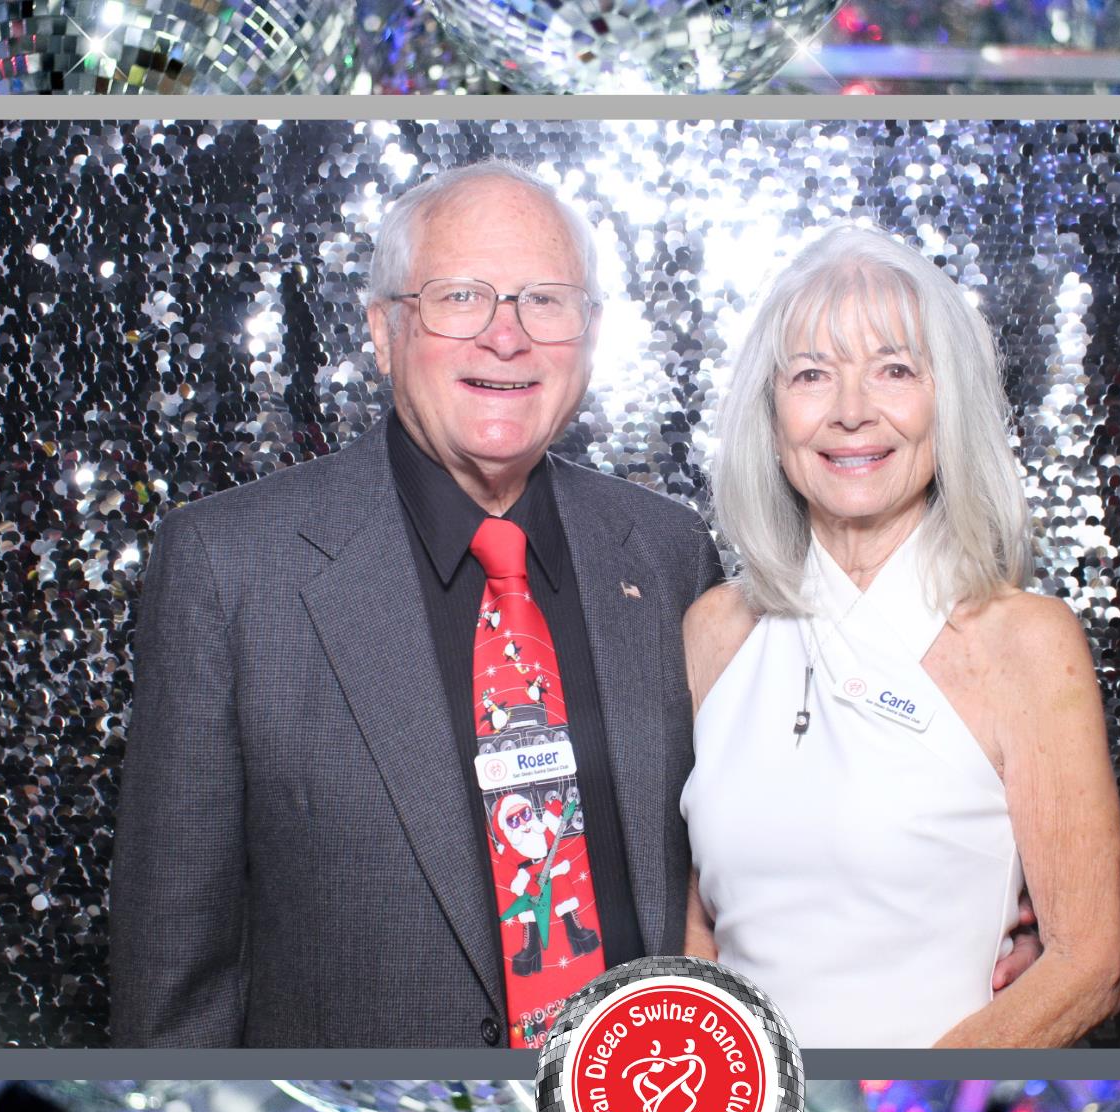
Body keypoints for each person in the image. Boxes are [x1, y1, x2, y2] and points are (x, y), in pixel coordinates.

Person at [108, 161, 723, 1048]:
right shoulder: (229, 566)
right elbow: (173, 986)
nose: (506, 338)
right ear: (385, 331)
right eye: (460, 297)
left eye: (545, 302)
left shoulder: (668, 552)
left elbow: (731, 869)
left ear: (590, 335)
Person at [681, 226, 1120, 1048]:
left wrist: (888, 1107)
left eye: (894, 369)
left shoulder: (1026, 643)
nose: (852, 411)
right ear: (770, 414)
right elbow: (698, 931)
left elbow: (1086, 964)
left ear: (947, 402)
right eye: (812, 374)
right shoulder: (715, 631)